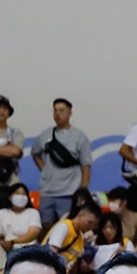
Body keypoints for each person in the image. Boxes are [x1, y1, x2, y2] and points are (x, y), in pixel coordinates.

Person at [32, 99, 92, 234]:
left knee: (68, 228)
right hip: (47, 192)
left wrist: (83, 191)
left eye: (61, 110)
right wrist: (45, 169)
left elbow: (86, 165)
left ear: (70, 113)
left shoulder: (79, 137)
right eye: (55, 111)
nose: (58, 114)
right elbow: (35, 154)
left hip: (69, 192)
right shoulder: (45, 135)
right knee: (46, 228)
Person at [0, 184, 42, 251]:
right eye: (17, 193)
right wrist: (3, 244)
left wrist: (12, 242)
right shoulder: (1, 213)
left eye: (23, 194)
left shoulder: (33, 213)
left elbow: (31, 235)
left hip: (28, 248)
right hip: (6, 249)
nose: (20, 196)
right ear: (10, 197)